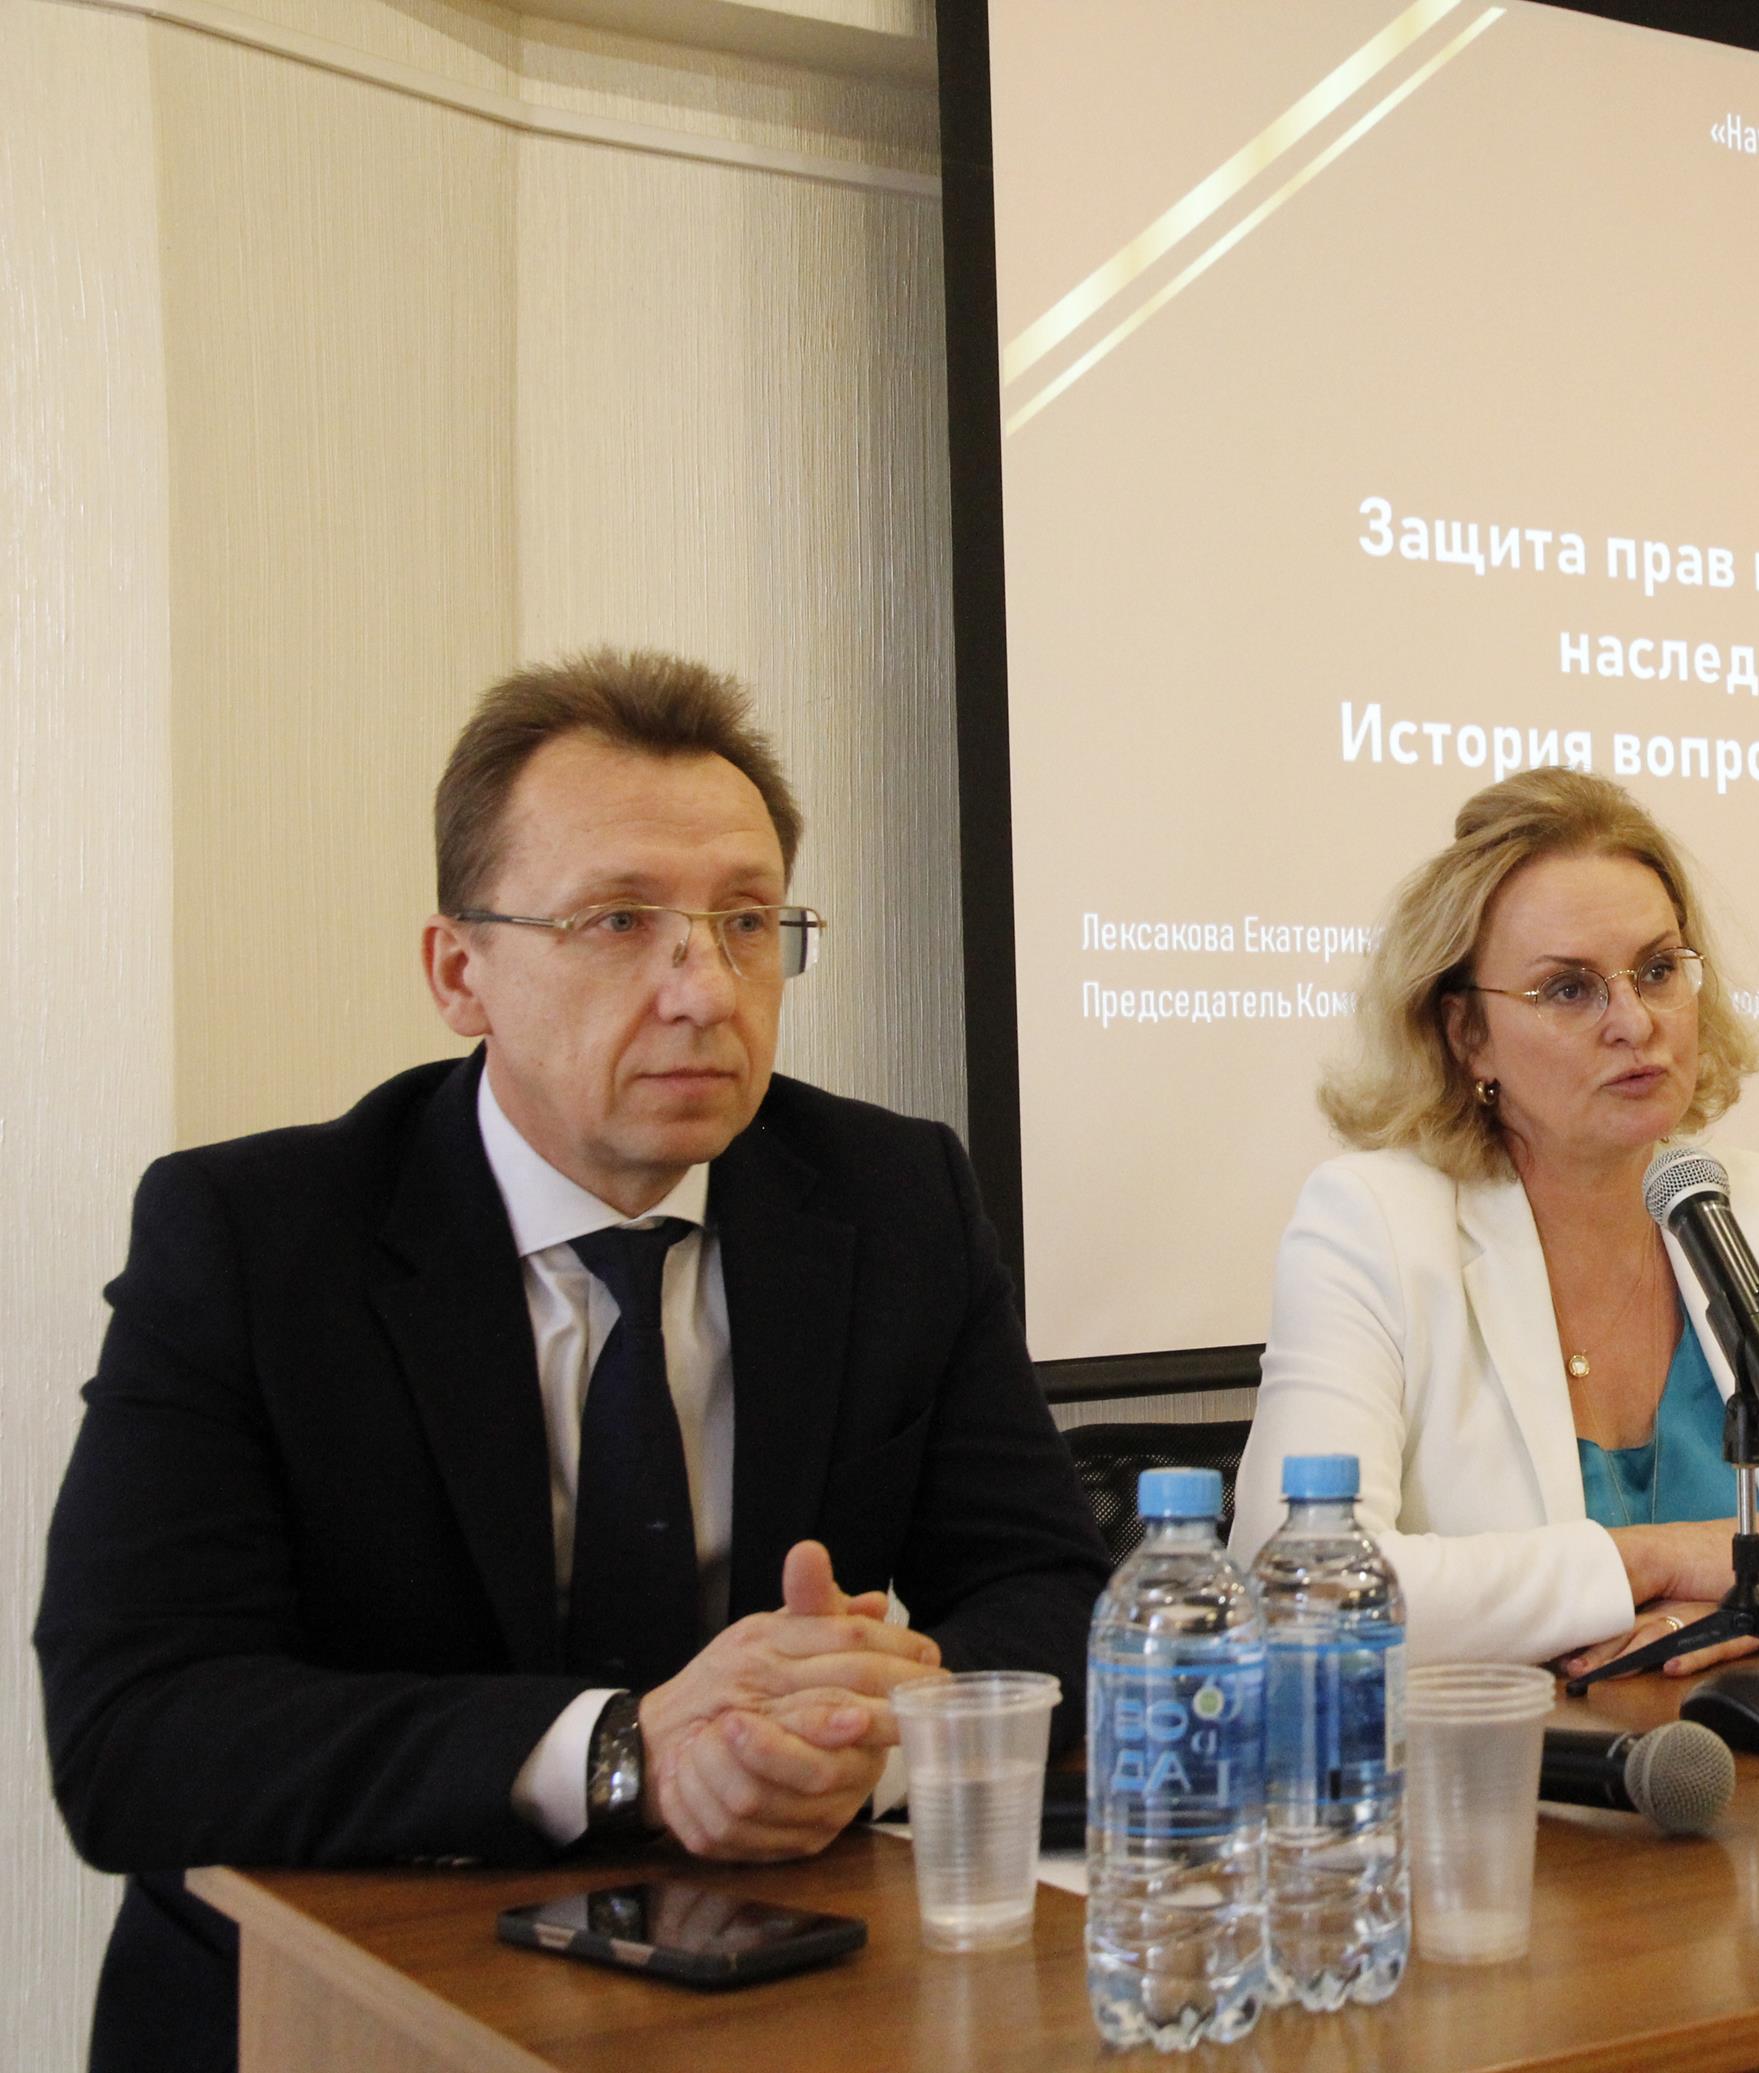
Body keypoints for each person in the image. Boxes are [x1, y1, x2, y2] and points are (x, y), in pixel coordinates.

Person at [34, 650, 1110, 2073]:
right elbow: (135, 1731)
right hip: (328, 2006)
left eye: (746, 921)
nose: (704, 989)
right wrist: (626, 1750)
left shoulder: (890, 1199)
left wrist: (867, 1730)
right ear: (458, 971)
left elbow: (1051, 1592)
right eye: (619, 922)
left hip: (775, 1988)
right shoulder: (254, 1240)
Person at [1231, 769, 1759, 1674]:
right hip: (1516, 1757)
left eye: (1658, 970)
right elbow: (1298, 1586)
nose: (1635, 1021)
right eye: (1568, 989)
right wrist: (1661, 1559)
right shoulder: (1374, 1225)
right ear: (1468, 1034)